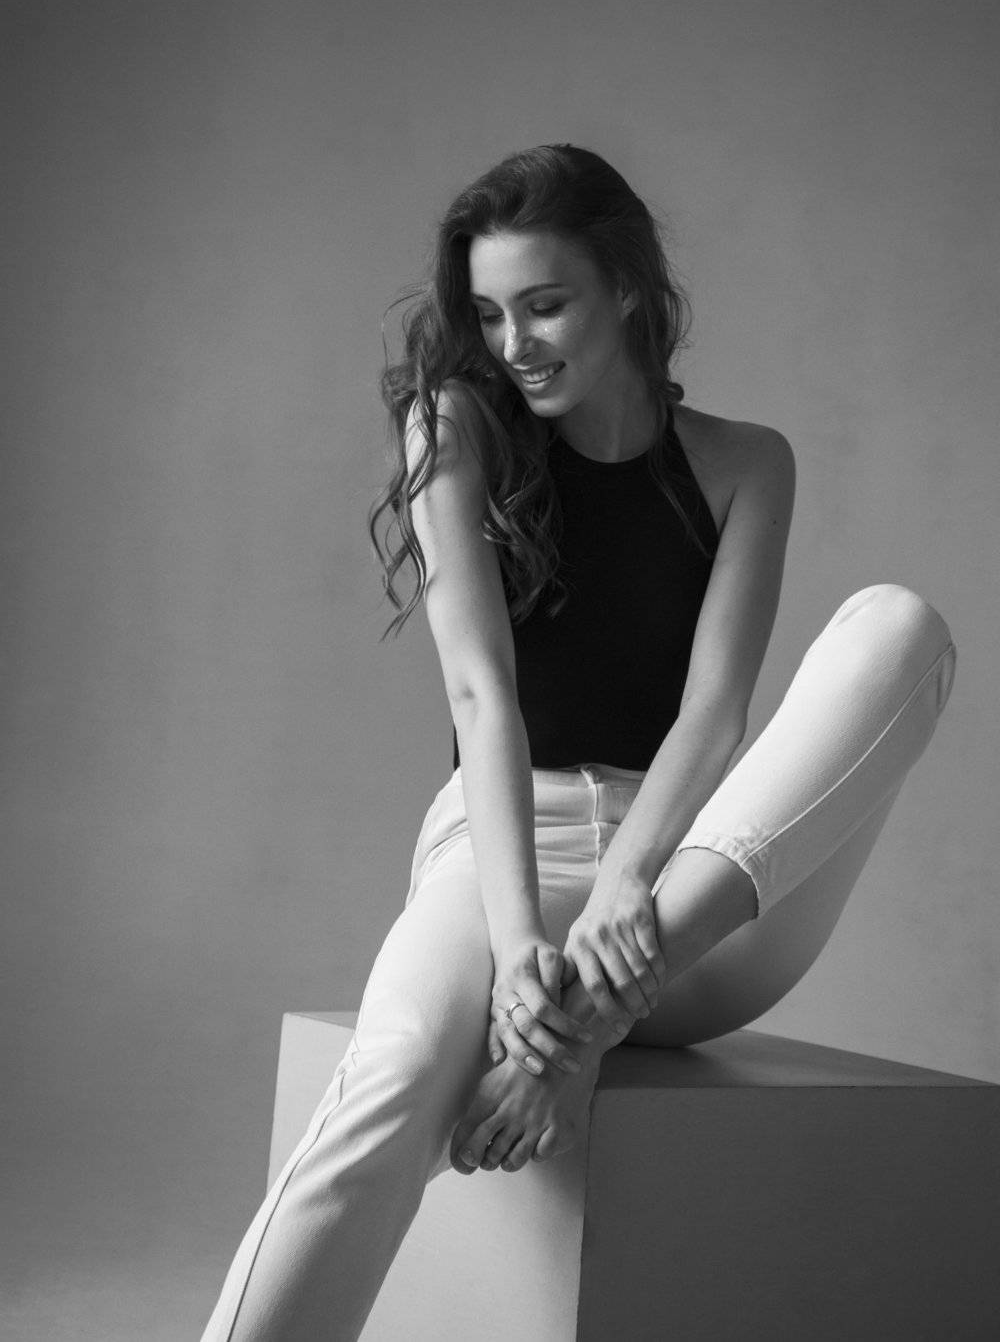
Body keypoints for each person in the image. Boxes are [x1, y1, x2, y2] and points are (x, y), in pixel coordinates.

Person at [200, 144, 957, 1340]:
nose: (513, 342)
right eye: (489, 313)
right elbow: (481, 700)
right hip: (508, 853)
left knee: (898, 627)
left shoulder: (746, 463)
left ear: (628, 288)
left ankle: (588, 1027)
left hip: (701, 886)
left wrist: (623, 901)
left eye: (544, 304)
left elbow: (713, 716)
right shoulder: (456, 430)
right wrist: (519, 956)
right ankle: (575, 1021)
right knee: (390, 1078)